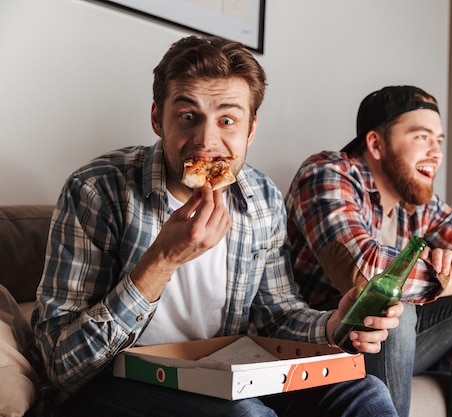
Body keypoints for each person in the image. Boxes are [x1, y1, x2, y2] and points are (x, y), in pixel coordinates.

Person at [31, 35, 403, 417]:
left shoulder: (262, 198)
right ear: (158, 118)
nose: (206, 141)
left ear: (251, 129)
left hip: (223, 374)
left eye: (227, 120)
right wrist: (162, 260)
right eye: (188, 117)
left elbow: (276, 316)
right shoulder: (97, 189)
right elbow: (60, 364)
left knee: (366, 394)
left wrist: (332, 325)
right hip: (117, 382)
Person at [285, 85, 452, 417]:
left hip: (385, 343)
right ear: (376, 144)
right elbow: (363, 271)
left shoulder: (419, 204)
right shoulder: (327, 172)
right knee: (392, 309)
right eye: (422, 137)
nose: (436, 153)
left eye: (439, 141)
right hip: (317, 337)